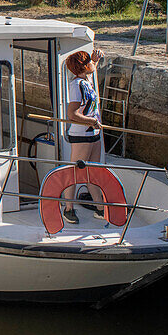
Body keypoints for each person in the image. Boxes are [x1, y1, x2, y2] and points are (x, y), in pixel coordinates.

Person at [62, 48, 106, 224]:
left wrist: (94, 60)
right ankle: (68, 209)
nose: (92, 63)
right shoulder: (76, 85)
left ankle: (100, 208)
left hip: (93, 133)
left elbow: (91, 67)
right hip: (82, 135)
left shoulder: (86, 79)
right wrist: (91, 121)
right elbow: (72, 114)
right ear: (83, 66)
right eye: (88, 61)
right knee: (75, 172)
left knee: (93, 172)